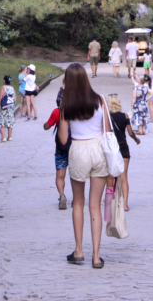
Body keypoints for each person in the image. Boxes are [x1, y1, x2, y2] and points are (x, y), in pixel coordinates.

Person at [57, 63, 112, 269]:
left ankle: (79, 250)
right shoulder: (100, 100)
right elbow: (107, 130)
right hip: (98, 149)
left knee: (78, 203)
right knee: (95, 205)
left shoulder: (66, 104)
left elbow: (63, 139)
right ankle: (96, 256)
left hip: (79, 150)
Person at [107, 94, 140, 211]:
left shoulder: (106, 117)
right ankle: (125, 204)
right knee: (124, 177)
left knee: (110, 176)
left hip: (111, 148)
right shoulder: (125, 116)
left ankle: (110, 202)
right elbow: (130, 133)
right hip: (123, 147)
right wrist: (136, 139)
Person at [43, 85, 70, 210]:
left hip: (60, 148)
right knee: (76, 176)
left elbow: (47, 126)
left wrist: (45, 123)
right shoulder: (75, 112)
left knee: (60, 175)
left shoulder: (56, 112)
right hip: (75, 148)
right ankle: (77, 197)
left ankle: (62, 195)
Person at [0, 76, 16, 142]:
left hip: (4, 107)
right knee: (10, 120)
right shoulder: (12, 88)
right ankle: (9, 137)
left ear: (4, 80)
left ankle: (3, 137)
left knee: (2, 121)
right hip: (11, 107)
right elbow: (15, 98)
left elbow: (0, 98)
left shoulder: (3, 88)